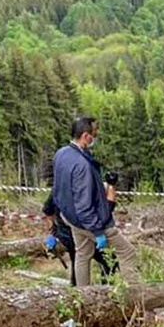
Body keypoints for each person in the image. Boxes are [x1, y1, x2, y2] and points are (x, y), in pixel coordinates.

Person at [51, 116, 137, 287]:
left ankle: (83, 296)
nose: (95, 138)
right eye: (94, 134)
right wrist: (98, 232)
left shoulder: (61, 153)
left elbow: (60, 188)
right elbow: (84, 204)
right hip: (89, 221)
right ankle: (135, 294)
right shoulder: (82, 165)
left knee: (83, 254)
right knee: (127, 251)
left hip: (71, 217)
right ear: (85, 136)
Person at [42, 192, 118, 287]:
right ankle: (106, 290)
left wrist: (55, 229)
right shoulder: (84, 186)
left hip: (68, 235)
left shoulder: (60, 186)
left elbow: (47, 209)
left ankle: (77, 289)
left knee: (78, 261)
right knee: (109, 259)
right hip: (82, 232)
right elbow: (106, 210)